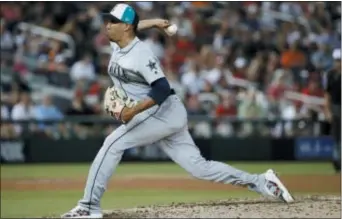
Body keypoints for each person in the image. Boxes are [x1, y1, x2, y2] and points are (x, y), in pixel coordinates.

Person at [61, 4, 294, 218]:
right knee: (199, 168)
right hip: (167, 115)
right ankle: (262, 182)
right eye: (107, 20)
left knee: (112, 144)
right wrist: (153, 22)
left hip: (160, 112)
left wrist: (132, 112)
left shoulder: (141, 54)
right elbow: (134, 28)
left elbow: (162, 88)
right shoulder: (118, 42)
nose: (107, 25)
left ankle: (89, 206)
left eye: (113, 21)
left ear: (125, 27)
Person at [324, 48, 341, 173]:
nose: (338, 62)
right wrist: (328, 111)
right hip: (335, 107)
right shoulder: (330, 75)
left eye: (339, 60)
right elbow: (327, 95)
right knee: (336, 137)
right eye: (336, 60)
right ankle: (337, 164)